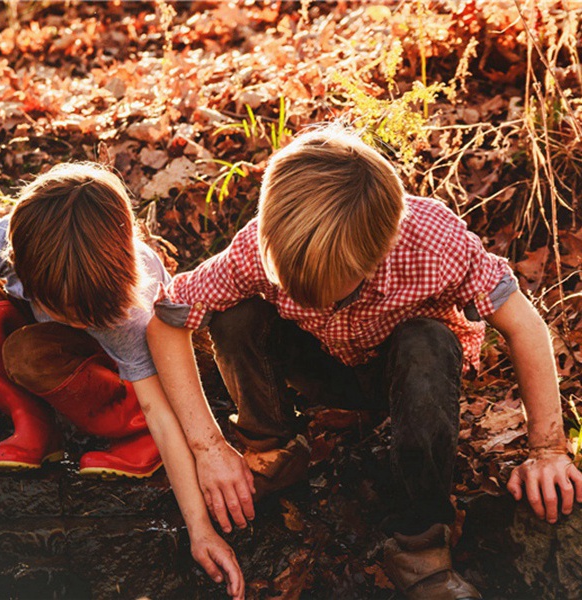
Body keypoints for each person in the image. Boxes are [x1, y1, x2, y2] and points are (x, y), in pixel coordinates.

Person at [147, 124, 582, 599]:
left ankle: (419, 545)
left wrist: (548, 451)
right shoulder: (259, 244)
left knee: (427, 342)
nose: (301, 295)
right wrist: (208, 448)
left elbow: (525, 327)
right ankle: (274, 447)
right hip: (319, 363)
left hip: (407, 382)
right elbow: (167, 320)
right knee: (234, 316)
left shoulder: (432, 242)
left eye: (322, 287)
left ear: (374, 256)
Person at [0, 162, 244, 599]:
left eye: (75, 313)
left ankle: (129, 434)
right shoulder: (15, 241)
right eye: (58, 305)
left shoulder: (127, 311)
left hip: (125, 375)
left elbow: (161, 412)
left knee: (28, 353)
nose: (69, 317)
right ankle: (35, 427)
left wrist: (200, 530)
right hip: (60, 351)